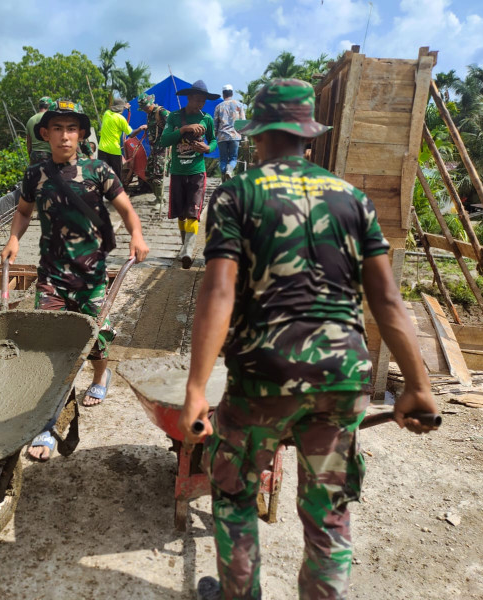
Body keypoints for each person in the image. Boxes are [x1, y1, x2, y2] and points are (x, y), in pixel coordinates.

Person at [178, 79, 440, 600]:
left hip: (264, 378)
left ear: (257, 135)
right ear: (309, 138)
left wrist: (195, 388)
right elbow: (387, 301)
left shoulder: (238, 194)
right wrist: (418, 385)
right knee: (328, 513)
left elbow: (220, 291)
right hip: (342, 379)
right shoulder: (354, 200)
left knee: (234, 495)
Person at [1, 99, 149, 461]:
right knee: (50, 347)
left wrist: (137, 234)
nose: (64, 136)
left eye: (71, 128)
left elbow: (126, 208)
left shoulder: (99, 170)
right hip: (51, 275)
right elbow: (24, 212)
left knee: (96, 336)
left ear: (81, 134)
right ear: (45, 133)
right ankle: (48, 422)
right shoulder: (35, 175)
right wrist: (14, 238)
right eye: (57, 128)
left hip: (90, 273)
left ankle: (100, 377)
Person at [159, 79, 219, 269]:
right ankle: (184, 245)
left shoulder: (207, 119)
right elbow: (164, 140)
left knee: (194, 212)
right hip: (177, 172)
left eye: (203, 100)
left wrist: (208, 148)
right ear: (189, 97)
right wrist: (184, 129)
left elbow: (214, 140)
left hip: (197, 172)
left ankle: (188, 250)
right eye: (197, 99)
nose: (201, 103)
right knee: (181, 213)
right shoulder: (174, 117)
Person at [98, 97, 146, 181]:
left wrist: (123, 107)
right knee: (117, 178)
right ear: (121, 109)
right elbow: (131, 134)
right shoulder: (121, 119)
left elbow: (115, 110)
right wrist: (141, 128)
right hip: (114, 151)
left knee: (102, 177)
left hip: (102, 149)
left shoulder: (106, 114)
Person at [137, 91, 170, 207]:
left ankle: (160, 201)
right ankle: (159, 197)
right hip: (154, 148)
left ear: (151, 103)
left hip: (163, 149)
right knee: (148, 174)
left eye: (146, 107)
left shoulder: (161, 112)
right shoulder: (150, 115)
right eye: (143, 108)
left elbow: (173, 125)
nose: (145, 110)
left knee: (158, 175)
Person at [213, 84, 245, 181]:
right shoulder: (239, 105)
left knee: (223, 159)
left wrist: (215, 136)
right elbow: (243, 122)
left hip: (222, 136)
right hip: (235, 136)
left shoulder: (218, 107)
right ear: (232, 93)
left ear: (223, 94)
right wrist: (244, 136)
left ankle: (224, 178)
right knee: (233, 158)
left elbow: (215, 124)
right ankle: (229, 171)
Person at [26, 96, 57, 165]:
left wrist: (30, 156)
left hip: (34, 155)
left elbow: (28, 142)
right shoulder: (50, 118)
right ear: (49, 106)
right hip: (48, 154)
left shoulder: (30, 120)